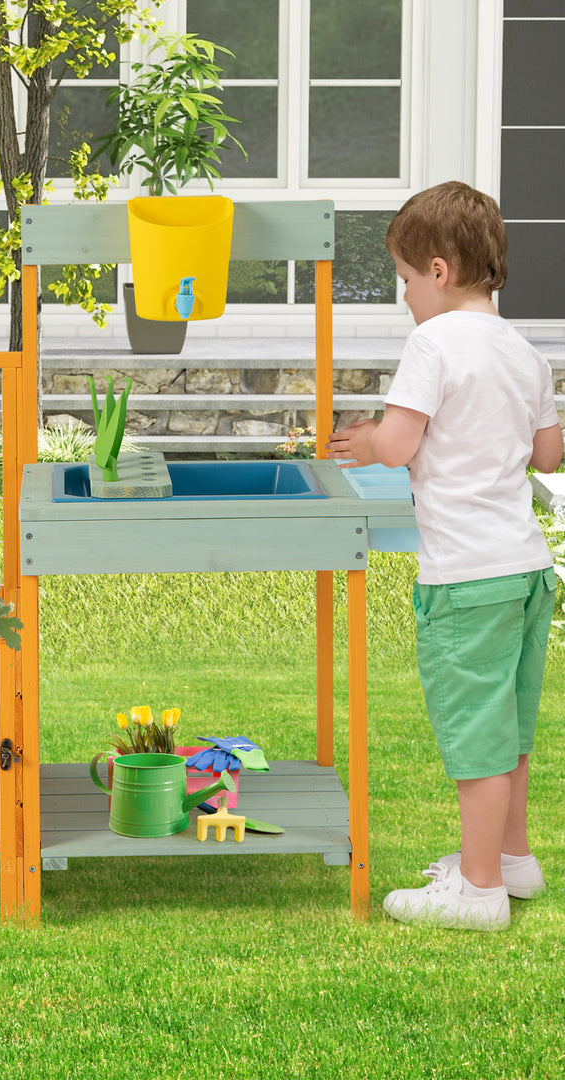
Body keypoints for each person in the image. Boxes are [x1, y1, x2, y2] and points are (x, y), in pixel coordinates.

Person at [326, 181, 563, 931]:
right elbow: (548, 455)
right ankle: (512, 859)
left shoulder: (433, 344)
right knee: (509, 729)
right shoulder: (523, 351)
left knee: (475, 739)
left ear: (438, 270)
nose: (404, 297)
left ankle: (479, 891)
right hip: (526, 569)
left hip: (466, 578)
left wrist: (365, 440)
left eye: (404, 279)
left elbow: (399, 445)